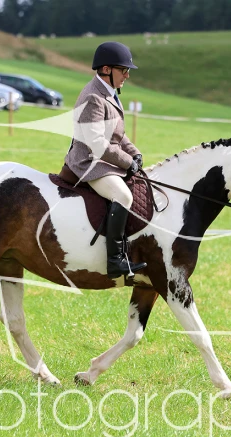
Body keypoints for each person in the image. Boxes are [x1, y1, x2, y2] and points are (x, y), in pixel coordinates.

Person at [64, 41, 145, 279]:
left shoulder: (109, 93)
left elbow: (117, 134)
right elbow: (97, 143)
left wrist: (135, 152)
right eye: (124, 70)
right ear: (106, 69)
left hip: (104, 158)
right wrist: (127, 162)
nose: (127, 75)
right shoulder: (93, 97)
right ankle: (115, 260)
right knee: (123, 196)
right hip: (89, 162)